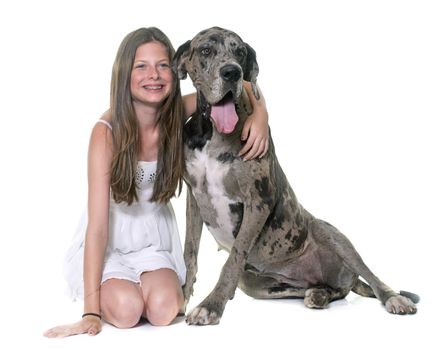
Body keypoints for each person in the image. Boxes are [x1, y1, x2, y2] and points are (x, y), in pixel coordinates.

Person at [44, 27, 269, 338]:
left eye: (163, 65)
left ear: (176, 70)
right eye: (142, 66)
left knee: (164, 312)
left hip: (154, 239)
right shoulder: (106, 133)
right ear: (124, 73)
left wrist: (261, 116)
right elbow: (96, 228)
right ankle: (110, 290)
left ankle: (144, 286)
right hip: (109, 241)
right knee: (126, 312)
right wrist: (91, 313)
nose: (154, 75)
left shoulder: (175, 114)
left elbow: (241, 83)